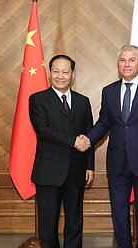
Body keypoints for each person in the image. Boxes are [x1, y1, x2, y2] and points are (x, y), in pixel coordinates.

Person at [80, 45, 138, 248]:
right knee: (119, 213)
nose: (126, 64)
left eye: (131, 60)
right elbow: (104, 123)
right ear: (118, 63)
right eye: (123, 60)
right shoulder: (109, 91)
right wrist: (88, 139)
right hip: (117, 164)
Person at [29, 54, 94, 248]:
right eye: (56, 71)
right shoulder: (38, 99)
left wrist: (89, 166)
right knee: (48, 225)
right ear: (50, 73)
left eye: (65, 72)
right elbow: (44, 129)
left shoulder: (83, 101)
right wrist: (74, 140)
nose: (60, 76)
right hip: (48, 171)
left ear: (73, 75)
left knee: (74, 221)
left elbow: (88, 134)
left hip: (76, 170)